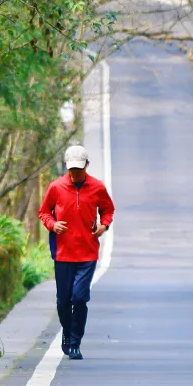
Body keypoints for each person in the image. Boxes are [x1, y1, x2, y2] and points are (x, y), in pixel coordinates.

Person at [38, 144, 115, 360]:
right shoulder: (56, 187)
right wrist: (53, 225)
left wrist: (104, 225)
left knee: (79, 299)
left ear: (87, 166)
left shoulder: (97, 188)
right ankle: (67, 332)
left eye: (79, 169)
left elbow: (107, 209)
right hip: (62, 253)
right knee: (63, 301)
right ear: (66, 166)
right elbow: (44, 212)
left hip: (87, 253)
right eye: (72, 169)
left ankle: (75, 340)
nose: (75, 173)